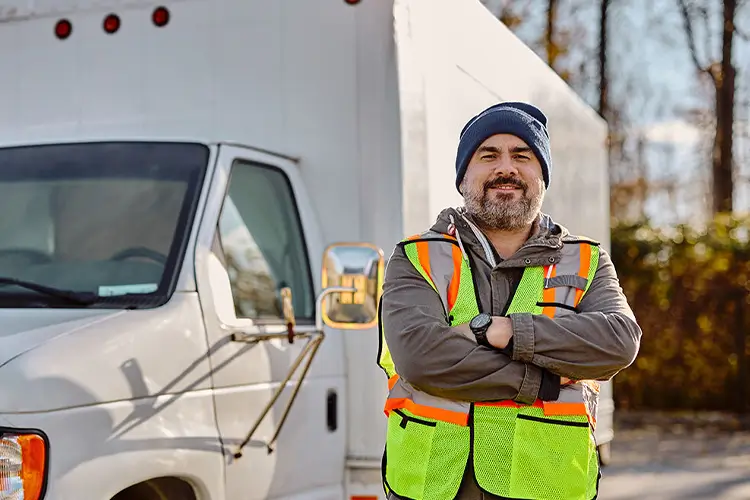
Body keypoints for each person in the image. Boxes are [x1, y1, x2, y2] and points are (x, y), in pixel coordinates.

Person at [377, 102, 642, 500]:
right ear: (464, 175)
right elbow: (420, 358)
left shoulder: (587, 259)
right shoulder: (416, 257)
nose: (507, 168)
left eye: (523, 155)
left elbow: (618, 342)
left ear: (542, 176)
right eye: (489, 155)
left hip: (547, 489)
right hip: (437, 488)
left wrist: (504, 331)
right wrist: (544, 379)